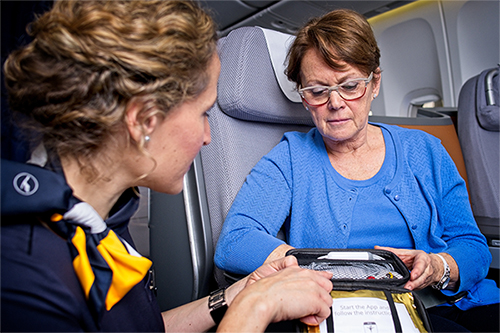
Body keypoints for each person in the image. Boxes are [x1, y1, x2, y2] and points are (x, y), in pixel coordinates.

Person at [0, 1, 335, 332]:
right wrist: (256, 308)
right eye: (204, 113)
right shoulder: (25, 277)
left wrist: (235, 296)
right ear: (144, 119)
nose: (207, 137)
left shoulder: (105, 219)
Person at [214, 8, 500, 332]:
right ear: (304, 98)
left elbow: (472, 246)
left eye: (350, 86)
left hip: (446, 305)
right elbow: (234, 243)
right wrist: (319, 267)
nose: (335, 102)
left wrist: (438, 265)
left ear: (375, 83)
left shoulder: (425, 150)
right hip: (346, 314)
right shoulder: (291, 158)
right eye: (318, 91)